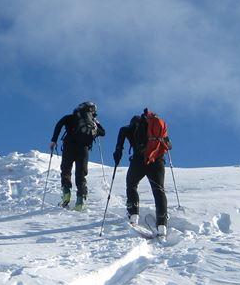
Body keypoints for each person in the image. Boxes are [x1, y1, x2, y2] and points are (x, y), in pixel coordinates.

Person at [113, 108, 171, 237]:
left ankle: (133, 215)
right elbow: (169, 146)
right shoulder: (156, 127)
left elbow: (119, 146)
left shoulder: (127, 129)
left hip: (138, 161)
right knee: (159, 190)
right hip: (157, 161)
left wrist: (117, 155)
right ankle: (162, 225)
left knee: (132, 185)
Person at [50, 101, 106, 210]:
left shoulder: (69, 117)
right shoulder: (92, 123)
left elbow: (59, 124)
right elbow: (103, 133)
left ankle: (66, 193)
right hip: (83, 149)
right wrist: (96, 124)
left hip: (68, 147)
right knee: (81, 174)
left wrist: (54, 140)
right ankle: (80, 201)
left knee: (66, 170)